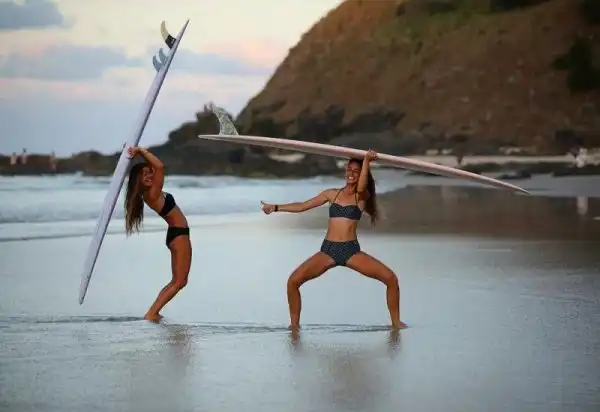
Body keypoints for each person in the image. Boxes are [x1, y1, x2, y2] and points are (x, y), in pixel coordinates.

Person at [261, 150, 406, 330]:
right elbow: (303, 206)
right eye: (349, 169)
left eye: (356, 171)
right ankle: (294, 327)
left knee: (391, 279)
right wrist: (275, 207)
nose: (351, 173)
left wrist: (367, 161)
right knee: (293, 282)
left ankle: (396, 323)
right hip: (328, 250)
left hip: (351, 251)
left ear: (362, 174)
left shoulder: (362, 197)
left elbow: (361, 187)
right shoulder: (331, 194)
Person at [125, 146, 192, 322]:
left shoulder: (149, 192)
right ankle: (152, 313)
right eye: (144, 175)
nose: (149, 176)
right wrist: (140, 151)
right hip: (179, 235)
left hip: (176, 234)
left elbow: (156, 168)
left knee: (177, 281)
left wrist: (140, 157)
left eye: (149, 173)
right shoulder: (152, 193)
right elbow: (160, 166)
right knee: (179, 282)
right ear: (137, 180)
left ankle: (153, 311)